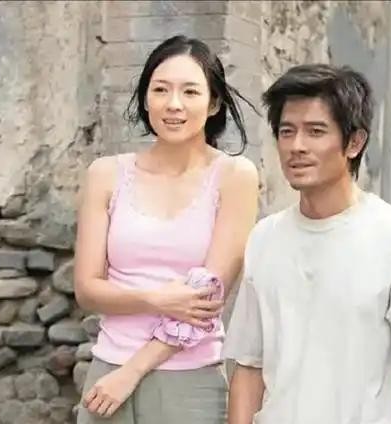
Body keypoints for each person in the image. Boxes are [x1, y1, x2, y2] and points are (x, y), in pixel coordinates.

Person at [223, 64, 391, 424]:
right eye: (286, 132)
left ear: (355, 142)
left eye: (315, 131)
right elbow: (249, 366)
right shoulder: (265, 238)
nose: (297, 146)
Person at [74, 35, 259, 423]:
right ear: (145, 99)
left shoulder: (234, 176)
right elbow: (87, 289)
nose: (174, 104)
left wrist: (131, 371)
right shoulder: (105, 174)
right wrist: (157, 298)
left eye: (190, 91)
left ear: (214, 103)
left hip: (188, 383)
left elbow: (205, 301)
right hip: (106, 374)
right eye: (160, 90)